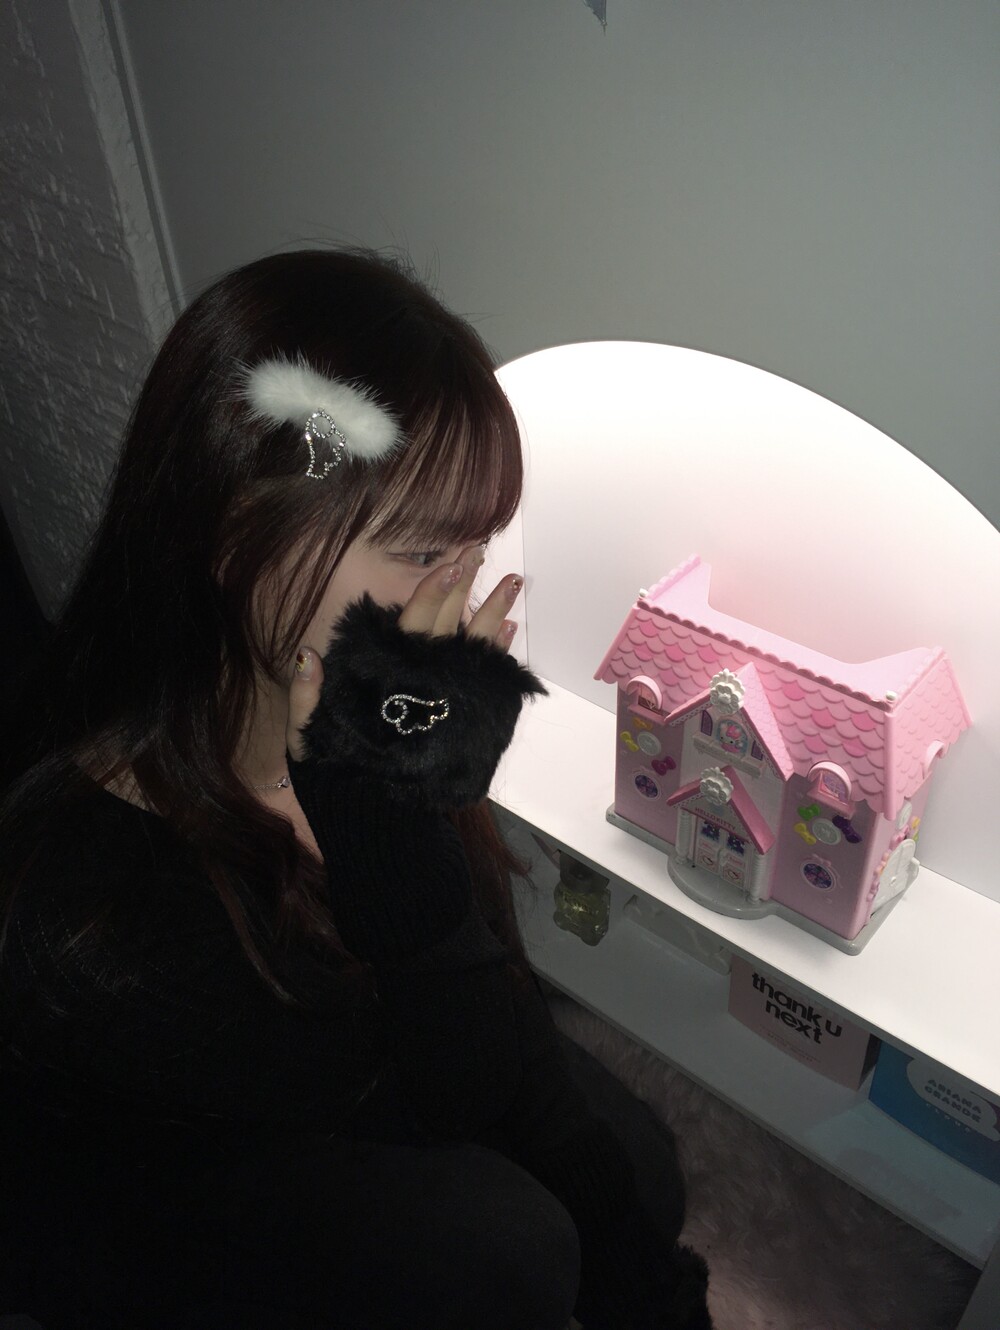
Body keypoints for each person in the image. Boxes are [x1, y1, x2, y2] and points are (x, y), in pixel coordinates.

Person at [0, 249, 713, 1330]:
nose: (457, 600)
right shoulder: (93, 909)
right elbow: (447, 1104)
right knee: (504, 1247)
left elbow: (500, 1030)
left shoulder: (368, 708)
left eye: (476, 549)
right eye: (423, 552)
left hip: (378, 1089)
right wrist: (388, 817)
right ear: (231, 536)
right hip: (180, 1217)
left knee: (640, 1177)